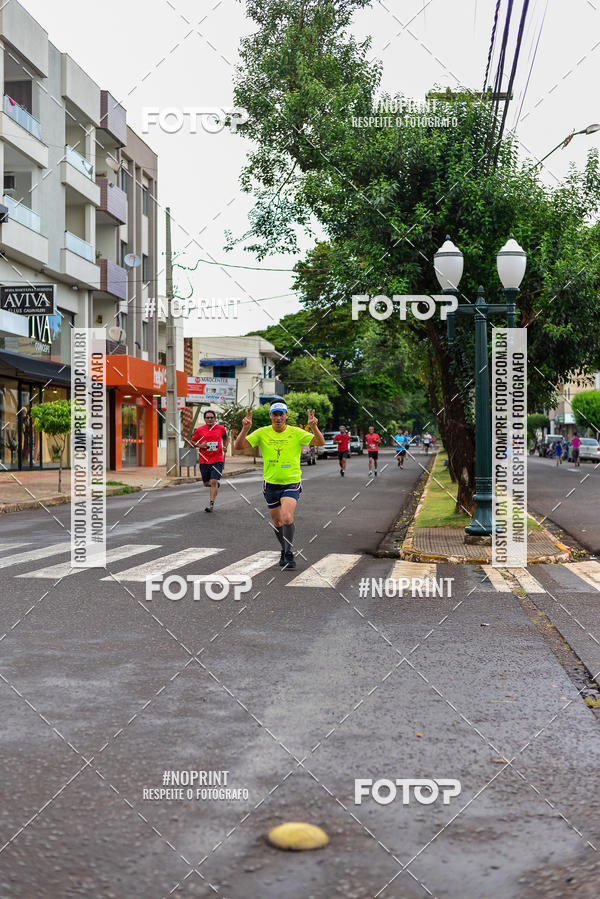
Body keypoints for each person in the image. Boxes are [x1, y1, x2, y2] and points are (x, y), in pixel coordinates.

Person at [234, 402, 325, 569]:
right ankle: (284, 550)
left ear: (286, 415)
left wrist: (314, 427)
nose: (278, 417)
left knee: (286, 517)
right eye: (275, 414)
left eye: (281, 414)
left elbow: (320, 442)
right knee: (277, 522)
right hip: (270, 484)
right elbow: (238, 447)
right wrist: (245, 429)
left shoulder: (296, 433)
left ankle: (289, 551)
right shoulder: (262, 433)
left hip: (291, 482)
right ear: (270, 416)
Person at [191, 409, 228, 513]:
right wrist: (200, 445)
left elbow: (225, 437)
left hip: (217, 459)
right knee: (207, 483)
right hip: (204, 460)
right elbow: (192, 441)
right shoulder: (200, 430)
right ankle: (215, 485)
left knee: (213, 481)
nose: (210, 419)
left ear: (215, 419)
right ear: (204, 419)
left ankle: (211, 504)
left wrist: (225, 446)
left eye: (212, 417)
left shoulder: (221, 428)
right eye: (208, 418)